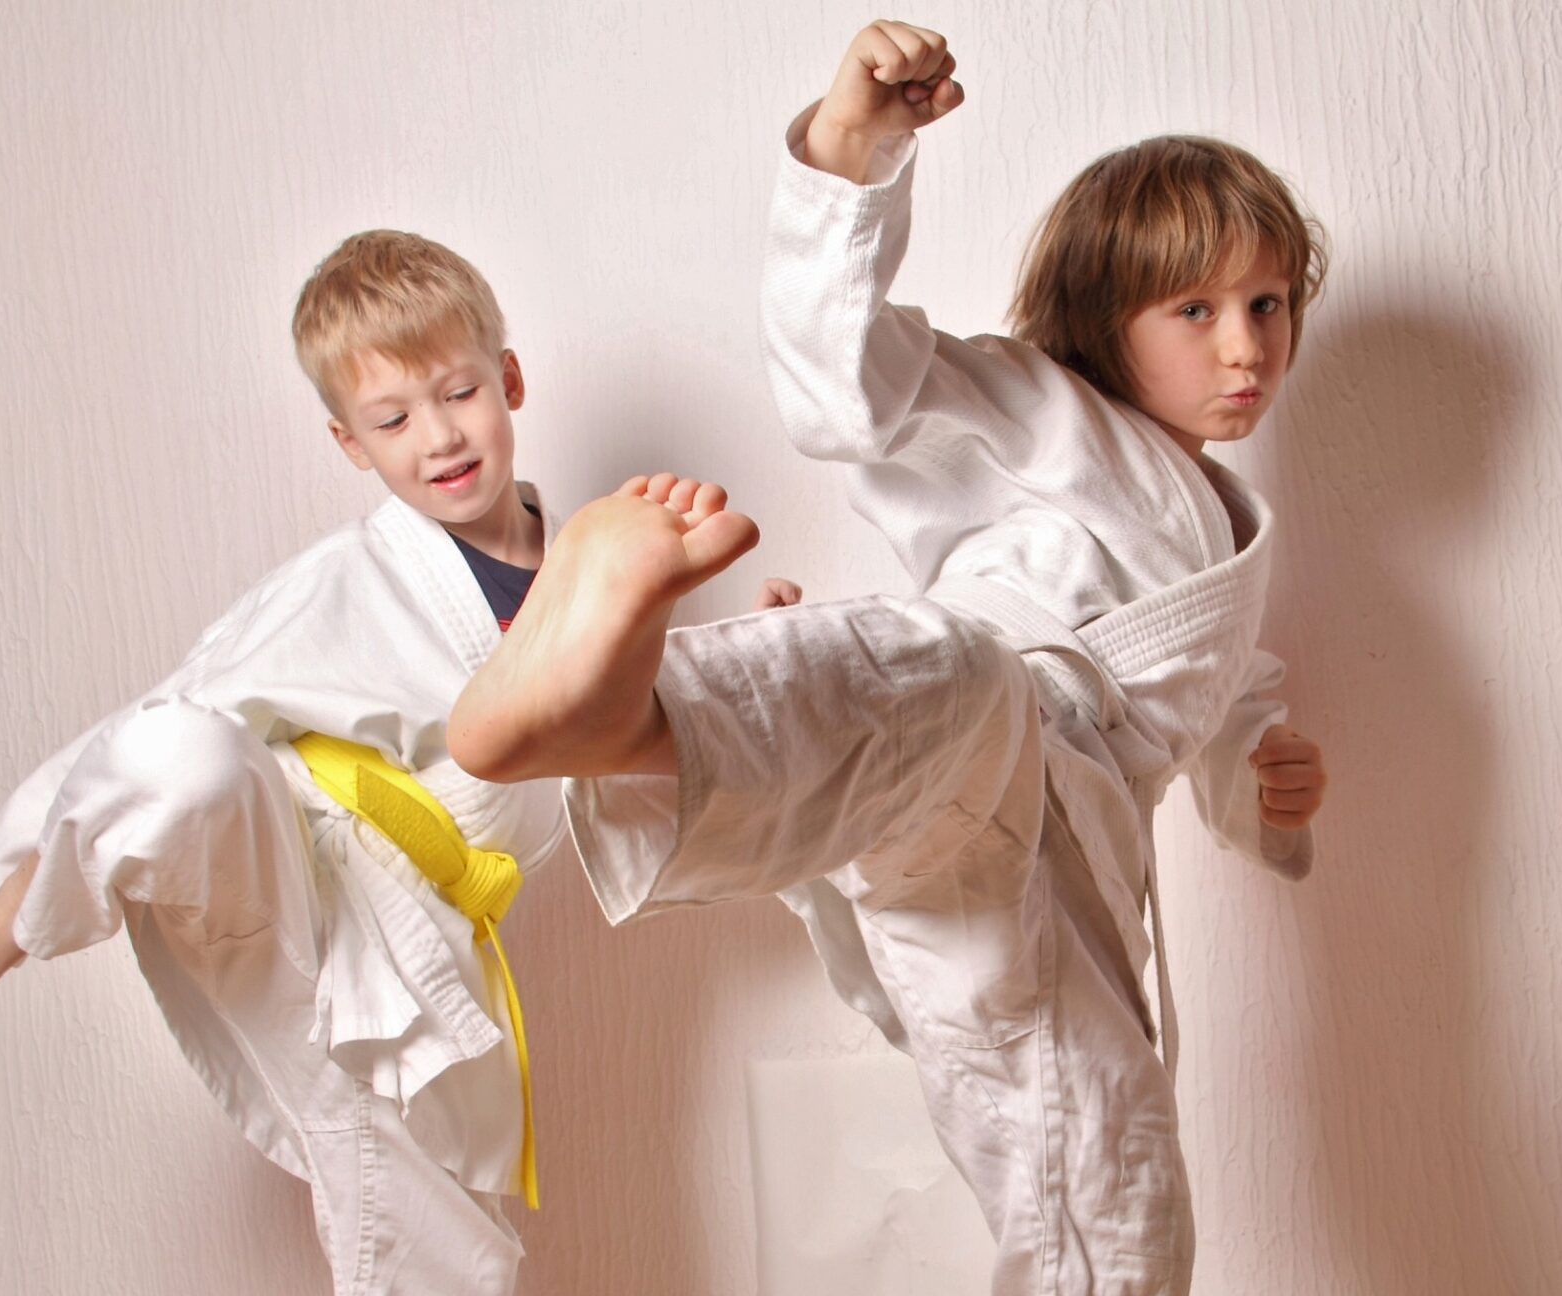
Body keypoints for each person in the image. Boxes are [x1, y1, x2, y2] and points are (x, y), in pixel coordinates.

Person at [446, 21, 1328, 1295]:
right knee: (937, 670)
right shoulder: (1033, 402)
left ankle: (654, 709)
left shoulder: (1226, 554)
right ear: (1099, 320)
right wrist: (853, 155)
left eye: (1268, 304)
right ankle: (615, 701)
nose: (1244, 345)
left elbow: (1231, 713)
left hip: (1061, 857)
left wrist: (1264, 783)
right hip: (985, 717)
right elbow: (842, 386)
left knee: (1112, 1191)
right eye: (1194, 310)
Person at [0, 230, 791, 1293]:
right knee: (182, 748)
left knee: (443, 1243)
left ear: (509, 381)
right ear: (349, 445)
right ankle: (24, 909)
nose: (439, 437)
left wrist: (751, 657)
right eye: (393, 419)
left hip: (423, 940)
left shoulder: (585, 570)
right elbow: (158, 718)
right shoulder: (344, 582)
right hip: (277, 864)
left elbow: (621, 731)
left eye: (458, 393)